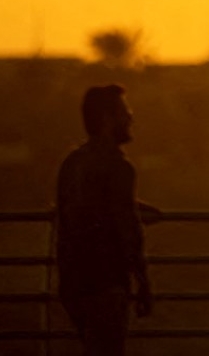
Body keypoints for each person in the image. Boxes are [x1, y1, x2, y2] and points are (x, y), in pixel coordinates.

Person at [54, 84, 153, 356]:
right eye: (124, 111)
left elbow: (82, 207)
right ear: (108, 119)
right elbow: (127, 228)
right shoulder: (119, 167)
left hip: (74, 283)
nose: (131, 117)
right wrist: (143, 282)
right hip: (106, 283)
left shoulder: (72, 162)